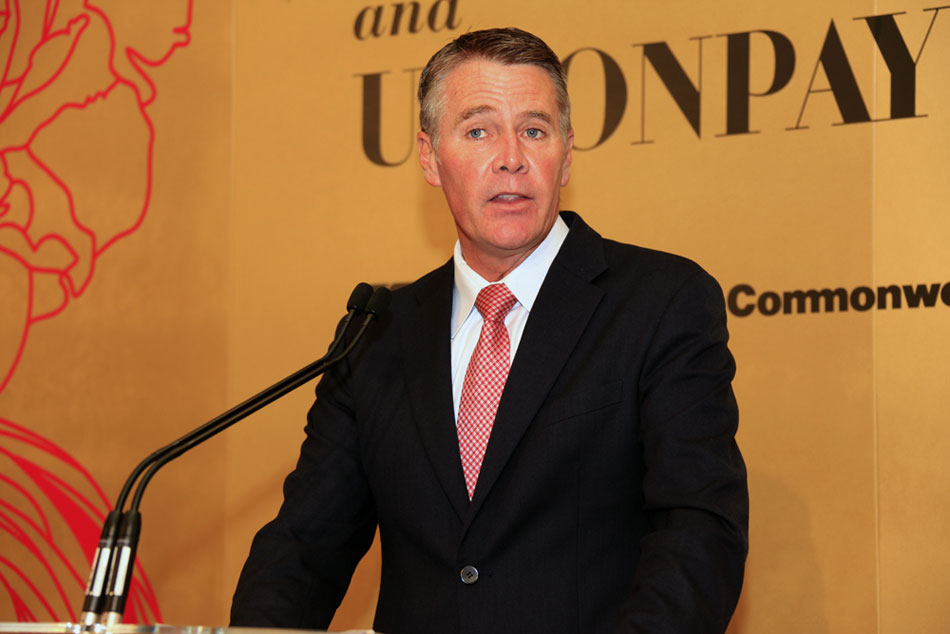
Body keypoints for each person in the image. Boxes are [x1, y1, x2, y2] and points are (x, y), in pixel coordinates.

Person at [231, 27, 748, 634]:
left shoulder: (658, 302)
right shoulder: (377, 333)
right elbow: (302, 549)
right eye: (479, 130)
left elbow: (697, 531)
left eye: (534, 130)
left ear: (566, 153)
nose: (511, 156)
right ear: (429, 156)